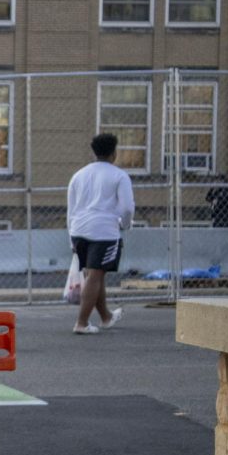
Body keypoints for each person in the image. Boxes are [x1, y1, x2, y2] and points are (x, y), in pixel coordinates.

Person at [67, 133, 135, 335]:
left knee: (94, 274)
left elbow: (71, 208)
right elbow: (127, 208)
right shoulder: (119, 175)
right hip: (104, 231)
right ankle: (81, 322)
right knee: (95, 275)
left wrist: (71, 235)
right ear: (114, 153)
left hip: (78, 229)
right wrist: (125, 224)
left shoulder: (78, 175)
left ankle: (106, 316)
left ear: (93, 152)